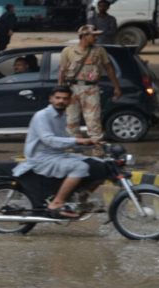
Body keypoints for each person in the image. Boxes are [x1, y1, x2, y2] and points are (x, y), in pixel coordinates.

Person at [12, 86, 101, 218]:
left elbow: (63, 140)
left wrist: (90, 144)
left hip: (57, 155)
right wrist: (78, 141)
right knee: (80, 167)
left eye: (65, 99)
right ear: (51, 99)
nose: (61, 101)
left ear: (70, 101)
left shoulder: (62, 116)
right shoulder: (42, 116)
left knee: (100, 165)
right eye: (58, 98)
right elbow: (49, 140)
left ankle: (80, 197)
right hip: (41, 158)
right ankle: (56, 203)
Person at [58, 25, 121, 146]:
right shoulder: (68, 51)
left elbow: (109, 68)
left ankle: (97, 149)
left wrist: (116, 87)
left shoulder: (99, 50)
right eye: (94, 35)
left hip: (91, 88)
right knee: (71, 121)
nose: (96, 38)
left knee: (93, 121)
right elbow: (62, 70)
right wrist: (60, 89)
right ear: (84, 36)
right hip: (72, 89)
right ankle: (73, 149)